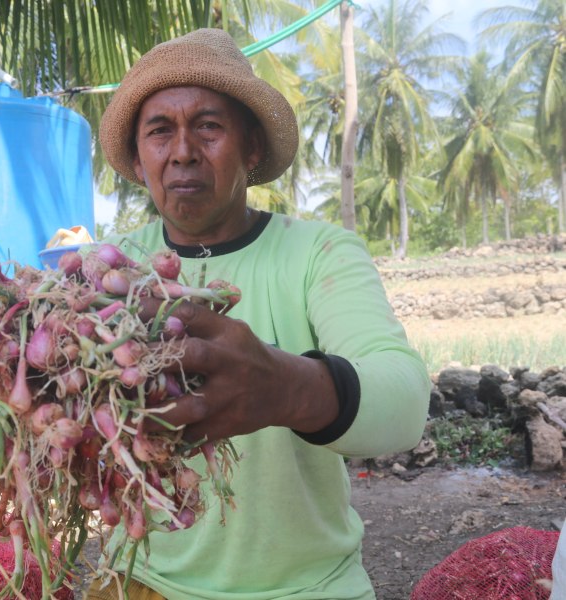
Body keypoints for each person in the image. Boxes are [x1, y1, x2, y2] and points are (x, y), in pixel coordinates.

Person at [86, 28, 432, 600]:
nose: (182, 151)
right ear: (140, 160)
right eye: (160, 130)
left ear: (251, 149)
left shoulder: (319, 252)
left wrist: (287, 388)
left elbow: (406, 401)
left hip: (307, 589)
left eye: (208, 126)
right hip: (139, 581)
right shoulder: (109, 268)